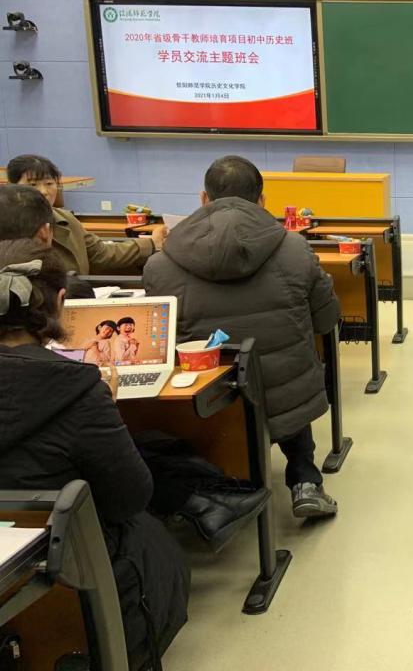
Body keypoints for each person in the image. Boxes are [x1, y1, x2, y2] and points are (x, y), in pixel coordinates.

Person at [0, 239, 190, 671]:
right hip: (66, 563)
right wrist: (108, 408)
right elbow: (130, 497)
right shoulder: (80, 388)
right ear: (60, 302)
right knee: (151, 537)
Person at [143, 155, 341, 518]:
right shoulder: (295, 249)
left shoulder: (160, 264)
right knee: (282, 376)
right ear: (262, 200)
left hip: (206, 401)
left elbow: (160, 346)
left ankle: (213, 489)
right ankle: (305, 481)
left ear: (204, 199)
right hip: (284, 393)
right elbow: (326, 319)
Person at [6, 155, 165, 275]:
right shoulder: (7, 224)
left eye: (49, 183)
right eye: (33, 184)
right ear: (12, 187)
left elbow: (101, 254)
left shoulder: (66, 219)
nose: (44, 191)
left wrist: (151, 243)